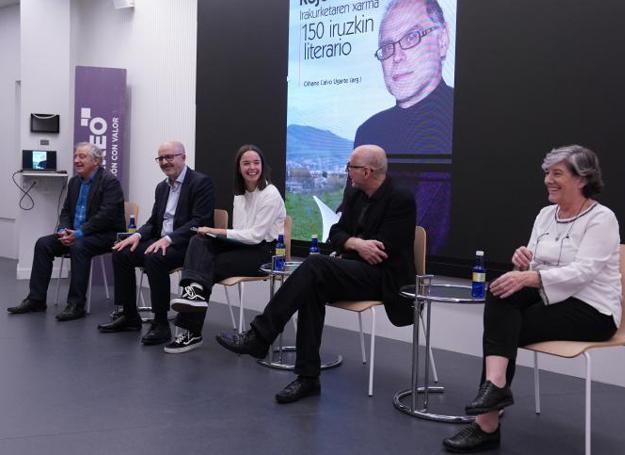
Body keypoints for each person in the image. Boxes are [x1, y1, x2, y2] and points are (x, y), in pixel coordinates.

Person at [442, 145, 620, 452]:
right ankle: (495, 389)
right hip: (549, 297)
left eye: (557, 173)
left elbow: (584, 272)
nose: (548, 180)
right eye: (547, 173)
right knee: (501, 290)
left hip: (593, 309)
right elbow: (532, 266)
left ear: (582, 179)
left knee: (504, 329)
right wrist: (521, 263)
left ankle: (486, 422)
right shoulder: (545, 214)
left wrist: (528, 276)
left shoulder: (602, 219)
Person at [216, 144, 416, 403]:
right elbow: (336, 234)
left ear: (367, 171)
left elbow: (382, 251)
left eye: (350, 168)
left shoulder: (400, 198)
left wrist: (351, 245)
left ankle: (260, 336)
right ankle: (307, 377)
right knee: (312, 286)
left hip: (384, 279)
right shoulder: (355, 194)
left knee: (314, 265)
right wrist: (355, 244)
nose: (347, 172)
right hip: (354, 270)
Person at [352, 0, 454, 255]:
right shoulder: (369, 131)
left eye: (412, 37)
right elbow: (350, 210)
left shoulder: (468, 118)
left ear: (442, 40)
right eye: (387, 47)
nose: (396, 57)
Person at [165, 144, 286, 353]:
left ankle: (190, 331)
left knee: (206, 266)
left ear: (262, 166)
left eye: (256, 163)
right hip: (244, 246)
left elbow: (256, 236)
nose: (252, 167)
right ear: (239, 167)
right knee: (198, 240)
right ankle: (192, 296)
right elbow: (241, 232)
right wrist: (213, 234)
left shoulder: (271, 194)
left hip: (267, 253)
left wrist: (218, 231)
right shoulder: (239, 194)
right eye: (246, 163)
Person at [97, 141, 214, 346]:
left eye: (170, 157)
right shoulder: (162, 187)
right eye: (161, 158)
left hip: (187, 245)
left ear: (183, 157)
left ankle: (161, 324)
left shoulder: (201, 182)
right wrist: (138, 236)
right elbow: (153, 221)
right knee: (121, 251)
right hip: (160, 240)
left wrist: (168, 239)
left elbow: (200, 221)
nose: (165, 162)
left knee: (154, 258)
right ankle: (129, 315)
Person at [8, 143, 125, 321]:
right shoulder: (74, 181)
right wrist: (63, 231)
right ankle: (36, 299)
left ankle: (76, 305)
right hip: (75, 234)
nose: (76, 160)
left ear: (96, 161)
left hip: (106, 235)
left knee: (79, 246)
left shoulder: (110, 181)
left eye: (82, 156)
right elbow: (66, 211)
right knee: (43, 244)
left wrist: (79, 233)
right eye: (76, 156)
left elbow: (106, 216)